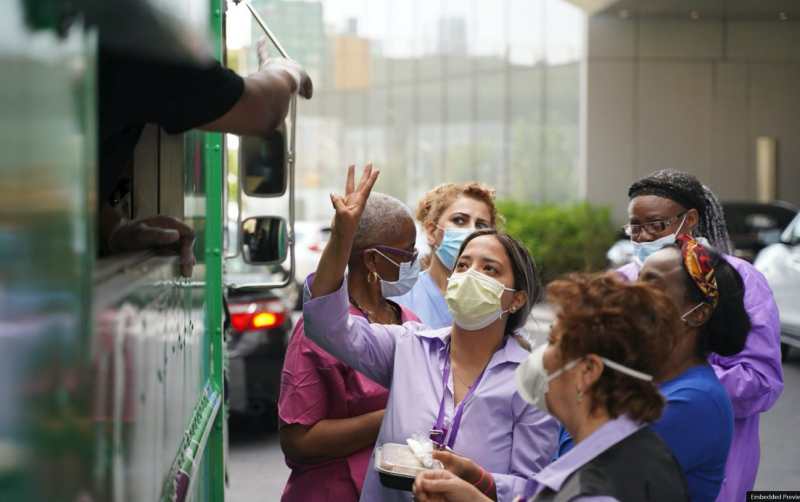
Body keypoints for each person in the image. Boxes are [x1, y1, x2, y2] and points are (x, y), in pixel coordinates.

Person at [304, 164, 557, 502]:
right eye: (463, 265)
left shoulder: (531, 381)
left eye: (489, 269)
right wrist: (340, 240)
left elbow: (532, 489)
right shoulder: (407, 344)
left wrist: (474, 480)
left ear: (516, 300)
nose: (470, 275)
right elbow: (325, 327)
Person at [413, 273, 691, 502]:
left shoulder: (595, 492)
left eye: (556, 342)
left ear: (588, 371)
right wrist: (474, 494)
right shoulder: (642, 452)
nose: (543, 353)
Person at [619, 169, 783, 501]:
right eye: (635, 228)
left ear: (689, 219)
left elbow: (761, 381)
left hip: (718, 460)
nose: (644, 238)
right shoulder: (621, 281)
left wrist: (674, 386)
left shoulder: (736, 280)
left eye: (656, 225)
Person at [98, 34, 313, 277]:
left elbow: (57, 181)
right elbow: (264, 108)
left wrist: (116, 230)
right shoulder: (140, 36)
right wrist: (284, 69)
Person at [555, 235, 751, 501]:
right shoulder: (642, 378)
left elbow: (577, 477)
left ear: (697, 313)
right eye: (638, 280)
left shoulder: (695, 401)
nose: (632, 293)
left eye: (652, 285)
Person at [278, 192, 421, 501]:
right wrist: (395, 415)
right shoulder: (319, 331)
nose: (416, 261)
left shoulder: (408, 319)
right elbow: (297, 441)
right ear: (372, 259)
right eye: (408, 253)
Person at [392, 182, 499, 329]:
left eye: (481, 226)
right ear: (431, 232)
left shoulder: (497, 300)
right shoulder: (399, 298)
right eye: (459, 220)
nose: (472, 232)